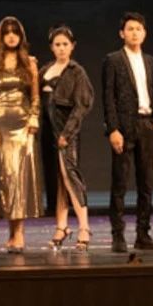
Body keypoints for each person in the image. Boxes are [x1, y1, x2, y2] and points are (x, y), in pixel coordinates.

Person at [101, 12, 153, 253]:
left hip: (146, 125)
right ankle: (118, 235)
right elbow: (108, 97)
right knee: (120, 182)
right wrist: (113, 129)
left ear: (145, 33)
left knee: (146, 183)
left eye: (138, 29)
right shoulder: (113, 60)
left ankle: (143, 234)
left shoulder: (152, 62)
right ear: (122, 33)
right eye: (130, 29)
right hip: (124, 127)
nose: (134, 33)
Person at [0, 16, 44, 253]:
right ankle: (12, 232)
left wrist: (34, 118)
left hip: (23, 126)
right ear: (1, 36)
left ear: (20, 36)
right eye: (7, 32)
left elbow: (36, 96)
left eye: (15, 32)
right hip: (0, 126)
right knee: (6, 179)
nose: (11, 36)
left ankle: (19, 234)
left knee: (20, 178)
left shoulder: (29, 62)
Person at [39, 25, 95, 250]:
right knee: (58, 180)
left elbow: (83, 105)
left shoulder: (76, 71)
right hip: (47, 131)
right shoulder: (44, 70)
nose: (61, 48)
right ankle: (61, 226)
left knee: (70, 176)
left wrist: (67, 133)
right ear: (51, 47)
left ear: (72, 46)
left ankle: (84, 227)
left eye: (65, 44)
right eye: (57, 44)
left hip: (65, 132)